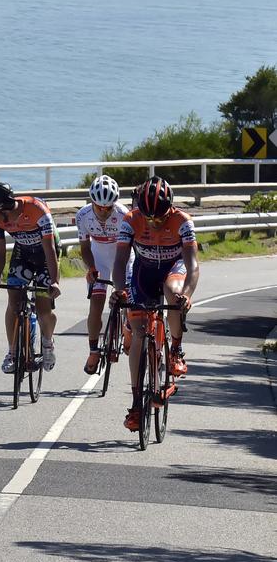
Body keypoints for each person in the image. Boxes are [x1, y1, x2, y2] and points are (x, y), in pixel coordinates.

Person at [110, 175, 199, 432]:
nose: (154, 222)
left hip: (174, 268)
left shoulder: (183, 222)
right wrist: (119, 290)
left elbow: (192, 265)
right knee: (138, 332)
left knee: (173, 291)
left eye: (159, 217)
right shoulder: (130, 220)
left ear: (170, 208)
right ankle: (137, 403)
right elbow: (119, 262)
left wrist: (188, 294)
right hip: (144, 272)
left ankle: (176, 350)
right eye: (149, 217)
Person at [0, 181, 61, 374]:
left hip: (45, 255)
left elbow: (50, 250)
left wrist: (55, 281)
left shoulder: (37, 209)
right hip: (22, 254)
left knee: (43, 310)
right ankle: (12, 353)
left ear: (3, 209)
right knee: (13, 303)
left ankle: (48, 343)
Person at [76, 174, 131, 375]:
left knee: (127, 301)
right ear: (92, 202)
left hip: (123, 259)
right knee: (96, 306)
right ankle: (93, 351)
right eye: (99, 207)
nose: (103, 211)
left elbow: (130, 248)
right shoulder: (83, 216)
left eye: (108, 208)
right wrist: (91, 268)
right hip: (98, 258)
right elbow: (84, 248)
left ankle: (128, 327)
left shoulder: (125, 215)